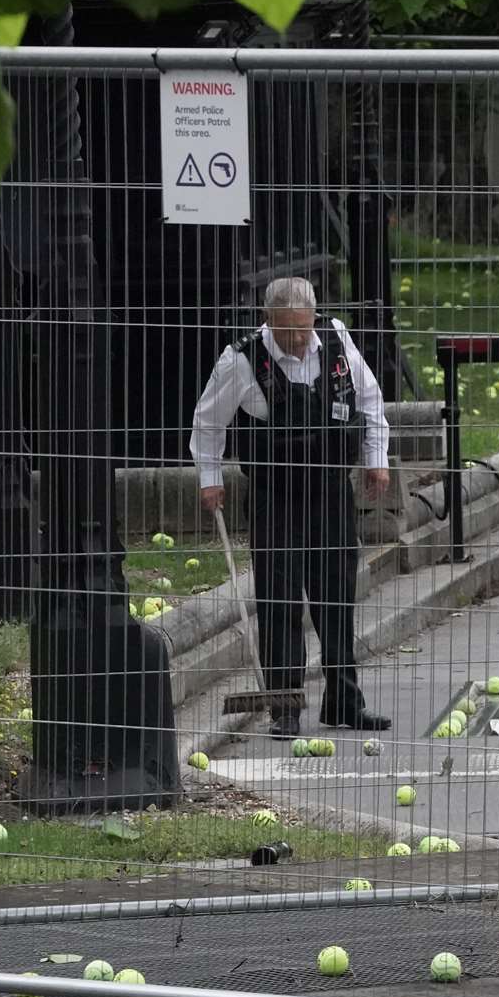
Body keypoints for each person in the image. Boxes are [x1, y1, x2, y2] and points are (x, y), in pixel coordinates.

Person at [190, 277, 392, 734]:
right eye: (288, 332)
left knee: (336, 598)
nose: (299, 340)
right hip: (275, 497)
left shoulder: (337, 342)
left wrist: (376, 461)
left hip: (330, 493)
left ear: (314, 319)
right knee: (280, 602)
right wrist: (210, 478)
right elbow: (207, 422)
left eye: (304, 329)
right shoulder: (240, 360)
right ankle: (285, 708)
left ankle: (344, 702)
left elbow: (371, 401)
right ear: (268, 321)